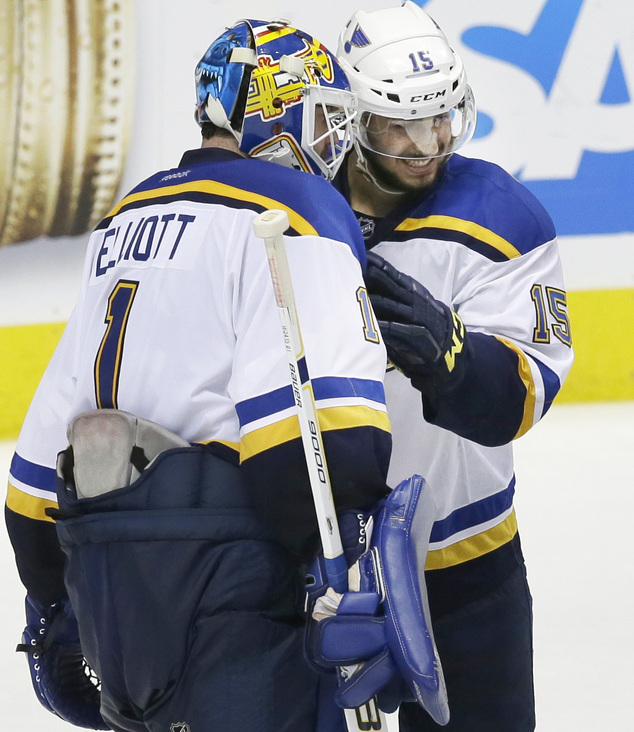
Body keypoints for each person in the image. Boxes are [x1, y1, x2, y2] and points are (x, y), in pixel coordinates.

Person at [5, 18, 392, 732]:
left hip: (117, 605)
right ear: (275, 112)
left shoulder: (126, 217)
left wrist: (58, 602)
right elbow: (327, 449)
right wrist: (334, 579)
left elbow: (32, 483)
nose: (337, 149)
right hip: (235, 599)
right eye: (326, 121)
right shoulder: (300, 209)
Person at [335, 3, 574, 731]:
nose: (425, 143)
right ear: (350, 118)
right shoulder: (297, 214)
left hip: (465, 563)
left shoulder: (506, 217)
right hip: (318, 563)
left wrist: (455, 361)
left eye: (438, 118)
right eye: (397, 124)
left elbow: (524, 397)